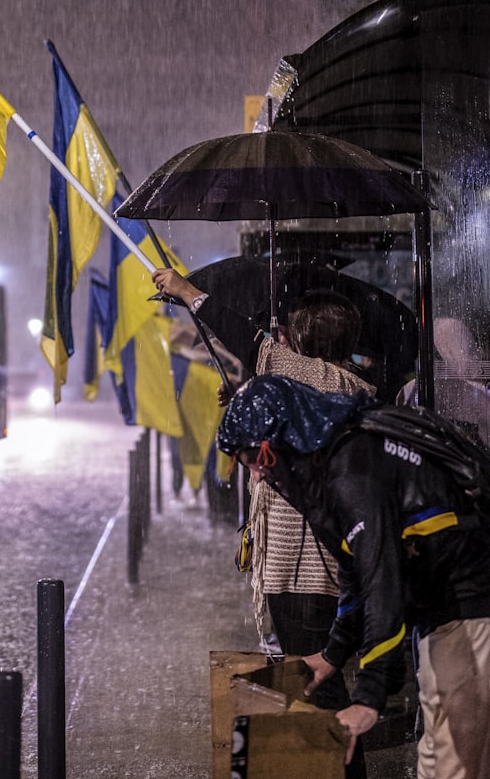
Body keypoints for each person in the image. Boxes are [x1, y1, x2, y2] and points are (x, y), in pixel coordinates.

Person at [153, 268, 374, 777]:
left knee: (320, 689)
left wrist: (187, 294)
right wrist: (250, 404)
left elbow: (247, 342)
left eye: (291, 339)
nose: (281, 344)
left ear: (304, 344)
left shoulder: (331, 382)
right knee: (316, 685)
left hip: (308, 572)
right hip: (309, 571)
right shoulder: (335, 392)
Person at [217, 373, 490, 777]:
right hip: (443, 609)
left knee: (455, 766)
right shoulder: (329, 460)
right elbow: (356, 570)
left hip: (470, 607)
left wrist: (368, 697)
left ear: (273, 444)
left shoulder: (351, 472)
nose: (255, 475)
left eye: (252, 460)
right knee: (437, 758)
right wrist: (334, 653)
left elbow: (383, 582)